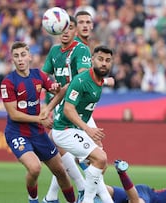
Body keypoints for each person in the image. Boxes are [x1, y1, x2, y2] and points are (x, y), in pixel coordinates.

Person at [0, 41, 76, 203]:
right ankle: (32, 199)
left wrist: (55, 89)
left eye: (23, 55)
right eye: (16, 56)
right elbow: (14, 114)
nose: (20, 59)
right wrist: (40, 119)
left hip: (38, 132)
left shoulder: (39, 76)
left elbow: (57, 89)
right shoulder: (8, 82)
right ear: (12, 60)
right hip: (17, 133)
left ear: (30, 57)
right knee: (35, 168)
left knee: (61, 171)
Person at [51, 45, 114, 203]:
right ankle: (87, 199)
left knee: (100, 165)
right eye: (100, 59)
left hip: (76, 130)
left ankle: (100, 199)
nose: (104, 63)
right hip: (64, 130)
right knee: (100, 158)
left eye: (107, 60)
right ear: (92, 60)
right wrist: (88, 130)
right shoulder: (82, 80)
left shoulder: (98, 81)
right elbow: (68, 108)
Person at [41, 15, 92, 203]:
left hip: (74, 105)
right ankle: (53, 196)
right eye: (63, 28)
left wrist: (50, 105)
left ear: (75, 31)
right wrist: (49, 87)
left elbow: (81, 81)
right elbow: (43, 78)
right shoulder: (54, 51)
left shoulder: (81, 50)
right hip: (59, 104)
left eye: (70, 28)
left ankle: (83, 187)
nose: (66, 31)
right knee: (62, 147)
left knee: (61, 143)